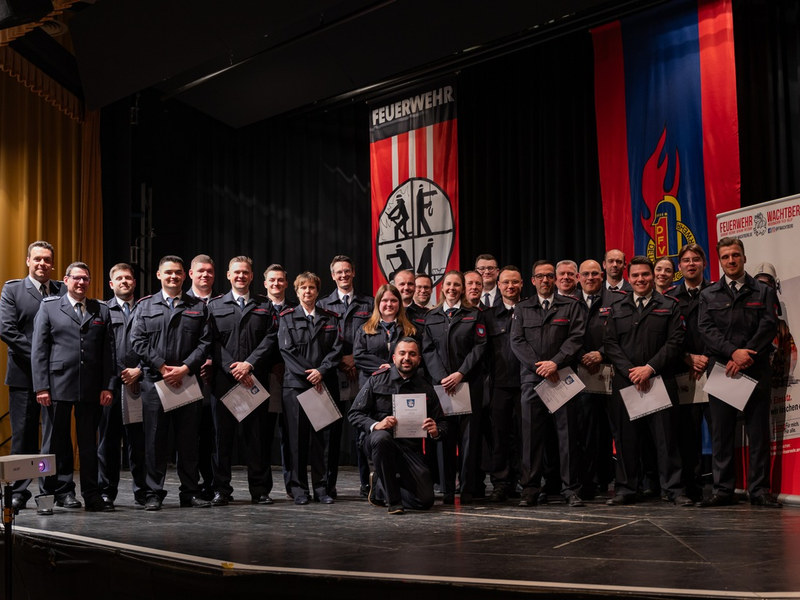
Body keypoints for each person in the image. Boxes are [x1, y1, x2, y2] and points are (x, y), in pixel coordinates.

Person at [697, 237, 781, 508]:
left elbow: (768, 326)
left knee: (758, 433)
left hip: (755, 369)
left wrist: (745, 354)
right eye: (725, 257)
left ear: (744, 257)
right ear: (719, 261)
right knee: (722, 434)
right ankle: (723, 490)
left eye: (735, 255)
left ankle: (759, 491)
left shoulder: (763, 291)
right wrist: (733, 352)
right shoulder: (708, 294)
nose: (731, 261)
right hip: (723, 370)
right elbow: (706, 329)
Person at [603, 256, 692, 507]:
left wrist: (649, 368)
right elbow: (610, 344)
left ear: (653, 276)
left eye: (645, 274)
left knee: (667, 438)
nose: (640, 279)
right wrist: (632, 371)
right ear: (628, 279)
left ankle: (673, 489)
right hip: (626, 381)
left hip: (659, 380)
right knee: (626, 439)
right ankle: (626, 489)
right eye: (635, 276)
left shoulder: (670, 305)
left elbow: (675, 342)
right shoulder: (617, 308)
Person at [130, 255, 213, 510]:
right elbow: (138, 340)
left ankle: (190, 492)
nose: (173, 277)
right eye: (168, 273)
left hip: (187, 382)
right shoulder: (145, 306)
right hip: (156, 383)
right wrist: (163, 367)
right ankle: (154, 492)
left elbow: (206, 343)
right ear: (158, 275)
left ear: (184, 275)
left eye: (177, 272)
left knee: (188, 442)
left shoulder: (198, 307)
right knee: (155, 441)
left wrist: (185, 368)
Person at [32, 261, 115, 512]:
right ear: (66, 280)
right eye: (76, 278)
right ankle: (49, 495)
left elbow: (108, 353)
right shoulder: (49, 307)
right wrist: (41, 387)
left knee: (88, 443)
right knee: (51, 445)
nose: (81, 283)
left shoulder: (100, 309)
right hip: (56, 386)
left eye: (86, 279)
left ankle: (90, 494)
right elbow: (39, 350)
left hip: (90, 388)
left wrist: (107, 386)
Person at [510, 260, 586, 507]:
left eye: (549, 276)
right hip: (532, 380)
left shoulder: (571, 306)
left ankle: (570, 488)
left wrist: (555, 363)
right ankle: (530, 489)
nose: (545, 280)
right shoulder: (523, 308)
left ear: (555, 280)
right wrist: (539, 366)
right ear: (533, 281)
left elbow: (576, 338)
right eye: (540, 277)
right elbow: (517, 342)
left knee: (568, 436)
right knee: (531, 437)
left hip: (562, 376)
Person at [207, 256, 279, 506]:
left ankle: (259, 490)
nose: (241, 276)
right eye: (236, 272)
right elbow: (211, 342)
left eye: (245, 272)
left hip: (253, 381)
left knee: (256, 440)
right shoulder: (214, 306)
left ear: (251, 275)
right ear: (228, 275)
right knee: (221, 441)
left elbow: (271, 340)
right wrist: (231, 367)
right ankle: (221, 491)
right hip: (224, 383)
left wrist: (249, 364)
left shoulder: (265, 305)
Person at [0, 241, 65, 512]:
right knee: (23, 437)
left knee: (54, 437)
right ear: (28, 261)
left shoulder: (63, 289)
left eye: (47, 260)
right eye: (37, 259)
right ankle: (18, 491)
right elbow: (7, 330)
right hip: (24, 376)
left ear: (52, 263)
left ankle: (52, 491)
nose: (42, 264)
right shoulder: (13, 289)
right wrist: (43, 359)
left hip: (57, 379)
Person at [349, 337, 448, 514]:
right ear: (394, 358)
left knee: (425, 501)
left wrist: (436, 430)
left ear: (419, 359)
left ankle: (380, 489)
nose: (406, 358)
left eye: (412, 354)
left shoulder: (425, 387)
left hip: (409, 449)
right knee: (382, 438)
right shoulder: (377, 380)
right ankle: (394, 502)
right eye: (402, 353)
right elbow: (354, 414)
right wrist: (376, 424)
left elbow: (442, 422)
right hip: (378, 444)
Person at [422, 270, 487, 504]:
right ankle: (448, 491)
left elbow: (479, 348)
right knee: (444, 438)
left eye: (456, 285)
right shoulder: (432, 316)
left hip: (468, 384)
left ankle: (467, 491)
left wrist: (460, 374)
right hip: (442, 388)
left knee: (469, 441)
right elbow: (428, 350)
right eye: (448, 284)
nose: (452, 288)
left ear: (462, 288)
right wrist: (441, 378)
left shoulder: (474, 314)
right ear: (442, 287)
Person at [279, 272, 343, 505]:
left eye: (312, 288)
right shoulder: (286, 317)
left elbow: (336, 350)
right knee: (296, 440)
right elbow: (287, 351)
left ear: (318, 291)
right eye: (303, 288)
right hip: (296, 387)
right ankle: (298, 490)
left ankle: (322, 488)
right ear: (296, 291)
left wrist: (322, 371)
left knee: (323, 441)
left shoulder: (331, 318)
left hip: (323, 385)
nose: (307, 292)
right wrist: (311, 373)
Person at [319, 255, 374, 497]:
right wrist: (340, 360)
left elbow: (375, 337)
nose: (343, 275)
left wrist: (355, 357)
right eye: (338, 272)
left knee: (364, 431)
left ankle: (368, 484)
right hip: (333, 374)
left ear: (353, 273)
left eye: (347, 271)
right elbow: (321, 342)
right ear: (333, 276)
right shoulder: (322, 305)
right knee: (331, 433)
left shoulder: (369, 304)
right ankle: (328, 485)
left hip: (362, 376)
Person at [664, 244, 712, 501]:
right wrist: (687, 357)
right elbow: (667, 336)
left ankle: (724, 487)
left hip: (715, 368)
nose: (691, 264)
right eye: (686, 260)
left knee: (721, 432)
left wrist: (707, 358)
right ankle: (691, 488)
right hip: (684, 371)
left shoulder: (716, 292)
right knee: (687, 434)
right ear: (679, 267)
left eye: (696, 259)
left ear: (704, 263)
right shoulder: (671, 298)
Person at [100, 263, 147, 508]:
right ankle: (106, 492)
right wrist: (115, 375)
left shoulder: (145, 309)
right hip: (111, 386)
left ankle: (143, 492)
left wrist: (140, 370)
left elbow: (152, 344)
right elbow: (100, 349)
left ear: (134, 282)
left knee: (139, 442)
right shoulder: (101, 310)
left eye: (128, 278)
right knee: (108, 441)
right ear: (111, 284)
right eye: (119, 278)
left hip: (139, 384)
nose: (124, 282)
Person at [574, 259, 617, 499]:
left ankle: (618, 481)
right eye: (585, 274)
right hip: (582, 375)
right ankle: (588, 483)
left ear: (601, 276)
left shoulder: (616, 300)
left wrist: (601, 353)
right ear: (578, 277)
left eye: (594, 274)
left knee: (615, 430)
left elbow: (621, 335)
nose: (590, 278)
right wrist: (581, 356)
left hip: (611, 372)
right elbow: (566, 336)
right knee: (586, 433)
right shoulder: (570, 302)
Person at [484, 266, 523, 502]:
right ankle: (500, 483)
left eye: (515, 282)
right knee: (499, 437)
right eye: (506, 282)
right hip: (498, 385)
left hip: (527, 384)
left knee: (524, 437)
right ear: (498, 285)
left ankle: (522, 480)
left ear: (522, 285)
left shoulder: (530, 310)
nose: (510, 286)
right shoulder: (488, 316)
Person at [263, 264, 298, 498]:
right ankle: (263, 489)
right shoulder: (258, 308)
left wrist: (286, 365)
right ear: (265, 283)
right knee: (263, 436)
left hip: (290, 377)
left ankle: (292, 486)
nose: (276, 284)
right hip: (263, 378)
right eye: (272, 280)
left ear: (286, 284)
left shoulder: (296, 311)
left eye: (280, 280)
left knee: (290, 435)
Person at [187, 254, 217, 501]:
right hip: (185, 379)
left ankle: (211, 484)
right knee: (188, 438)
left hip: (214, 381)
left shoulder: (221, 303)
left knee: (211, 437)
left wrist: (212, 361)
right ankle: (191, 487)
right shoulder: (182, 302)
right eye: (200, 271)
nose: (205, 275)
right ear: (191, 274)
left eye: (209, 271)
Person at [354, 284, 417, 386]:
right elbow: (359, 356)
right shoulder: (364, 329)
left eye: (393, 300)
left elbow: (416, 357)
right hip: (372, 384)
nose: (389, 304)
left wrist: (392, 366)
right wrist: (387, 367)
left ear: (399, 304)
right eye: (385, 300)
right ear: (378, 303)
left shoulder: (410, 330)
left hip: (402, 384)